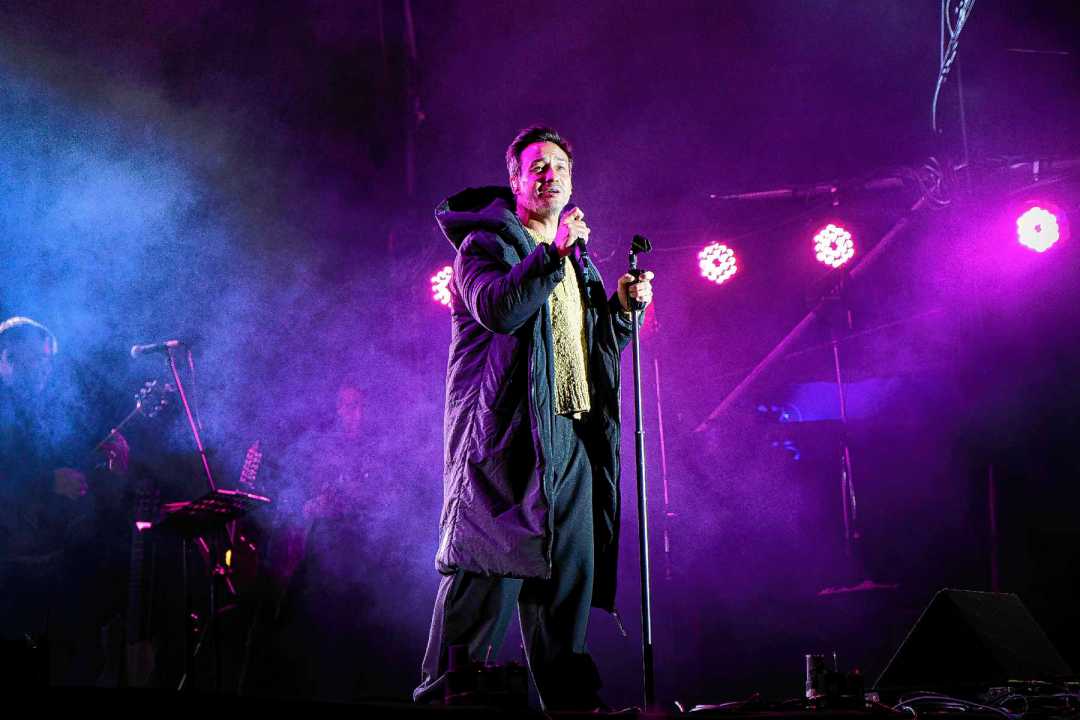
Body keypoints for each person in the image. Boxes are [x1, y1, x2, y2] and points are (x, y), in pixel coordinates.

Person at [415, 126, 654, 711]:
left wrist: (622, 313)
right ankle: (443, 702)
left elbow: (586, 354)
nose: (550, 176)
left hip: (570, 442)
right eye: (537, 167)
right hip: (505, 448)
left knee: (563, 603)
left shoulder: (576, 263)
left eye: (560, 168)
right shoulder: (484, 248)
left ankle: (572, 709)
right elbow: (500, 309)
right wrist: (552, 256)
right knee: (480, 588)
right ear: (516, 181)